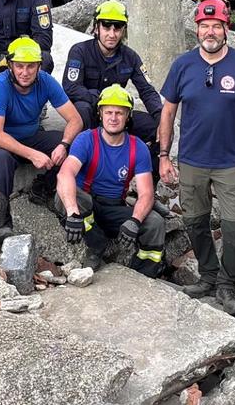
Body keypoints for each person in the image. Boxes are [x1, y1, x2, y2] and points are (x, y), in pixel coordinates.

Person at [156, 0, 235, 307]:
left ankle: (227, 284)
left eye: (216, 26)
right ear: (197, 28)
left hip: (230, 161)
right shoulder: (183, 65)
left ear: (226, 28)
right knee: (195, 221)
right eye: (205, 26)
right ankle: (207, 276)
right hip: (191, 160)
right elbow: (168, 111)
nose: (210, 32)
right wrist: (164, 156)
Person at [57, 86, 167, 277]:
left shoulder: (138, 148)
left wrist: (135, 220)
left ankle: (143, 273)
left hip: (114, 208)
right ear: (100, 114)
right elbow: (65, 174)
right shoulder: (86, 139)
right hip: (87, 206)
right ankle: (95, 243)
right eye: (108, 112)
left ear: (128, 116)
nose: (113, 118)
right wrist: (73, 213)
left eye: (119, 113)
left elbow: (146, 193)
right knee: (64, 196)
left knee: (155, 222)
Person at [0, 36, 84, 240]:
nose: (25, 72)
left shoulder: (46, 81)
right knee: (2, 158)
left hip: (30, 137)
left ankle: (44, 188)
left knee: (74, 145)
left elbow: (75, 120)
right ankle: (2, 225)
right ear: (10, 65)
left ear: (39, 66)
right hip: (2, 141)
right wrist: (33, 155)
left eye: (31, 66)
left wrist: (63, 145)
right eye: (19, 66)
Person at [61, 0, 164, 172]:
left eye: (117, 28)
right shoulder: (79, 51)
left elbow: (147, 91)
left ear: (123, 30)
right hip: (89, 112)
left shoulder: (131, 57)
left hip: (116, 114)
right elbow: (71, 87)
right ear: (96, 28)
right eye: (106, 27)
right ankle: (63, 177)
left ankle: (143, 184)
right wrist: (101, 100)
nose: (112, 33)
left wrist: (161, 117)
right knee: (82, 111)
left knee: (157, 128)